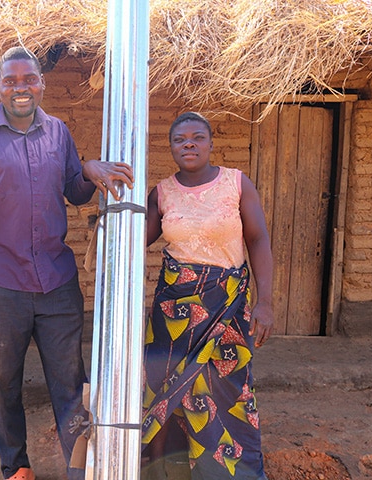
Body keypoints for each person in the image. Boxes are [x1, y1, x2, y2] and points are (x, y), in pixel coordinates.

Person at [0, 46, 133, 480]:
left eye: (29, 79)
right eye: (11, 80)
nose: (20, 88)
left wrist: (89, 170)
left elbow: (75, 191)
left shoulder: (58, 132)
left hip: (56, 282)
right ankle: (16, 466)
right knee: (1, 382)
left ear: (41, 84)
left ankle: (79, 467)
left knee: (71, 383)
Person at [141, 112, 274, 479]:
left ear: (211, 143)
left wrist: (265, 302)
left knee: (230, 390)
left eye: (197, 137)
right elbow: (140, 238)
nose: (189, 144)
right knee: (168, 387)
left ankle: (235, 472)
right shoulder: (163, 192)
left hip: (227, 307)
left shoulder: (236, 184)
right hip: (174, 314)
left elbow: (258, 239)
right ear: (170, 147)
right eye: (180, 139)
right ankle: (173, 470)